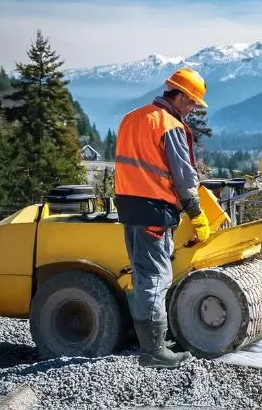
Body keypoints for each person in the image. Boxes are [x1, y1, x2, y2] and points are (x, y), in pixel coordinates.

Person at [114, 67, 212, 368]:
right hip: (155, 210)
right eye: (193, 101)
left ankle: (152, 342)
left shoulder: (132, 117)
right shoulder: (169, 125)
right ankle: (154, 352)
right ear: (179, 95)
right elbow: (183, 177)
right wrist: (197, 215)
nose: (194, 108)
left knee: (144, 275)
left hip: (129, 207)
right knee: (155, 279)